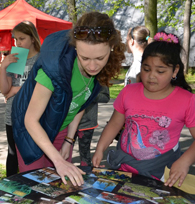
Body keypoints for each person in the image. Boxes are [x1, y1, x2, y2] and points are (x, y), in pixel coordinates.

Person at [12, 12, 125, 186]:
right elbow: (30, 120)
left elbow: (80, 103)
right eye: (85, 58)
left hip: (61, 127)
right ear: (75, 48)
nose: (93, 66)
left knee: (61, 186)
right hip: (32, 131)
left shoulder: (101, 66)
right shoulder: (54, 69)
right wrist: (57, 160)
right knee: (36, 186)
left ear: (111, 47)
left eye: (100, 58)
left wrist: (69, 140)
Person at [92, 31, 195, 188]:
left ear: (175, 71)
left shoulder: (187, 100)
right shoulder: (128, 92)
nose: (151, 76)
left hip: (161, 173)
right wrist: (100, 148)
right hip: (124, 168)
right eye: (146, 69)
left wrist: (184, 162)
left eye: (160, 71)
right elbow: (114, 124)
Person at [0, 21, 41, 177]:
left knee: (31, 154)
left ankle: (32, 185)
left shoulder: (41, 59)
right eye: (15, 39)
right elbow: (5, 90)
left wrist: (17, 89)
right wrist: (3, 67)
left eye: (22, 38)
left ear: (32, 38)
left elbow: (42, 88)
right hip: (13, 114)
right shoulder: (17, 57)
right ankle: (10, 188)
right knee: (12, 154)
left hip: (34, 115)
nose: (18, 43)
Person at [75, 86, 110, 166]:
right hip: (68, 122)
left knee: (85, 156)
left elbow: (105, 98)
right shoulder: (71, 75)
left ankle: (86, 175)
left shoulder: (100, 78)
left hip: (87, 123)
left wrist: (89, 95)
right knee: (64, 154)